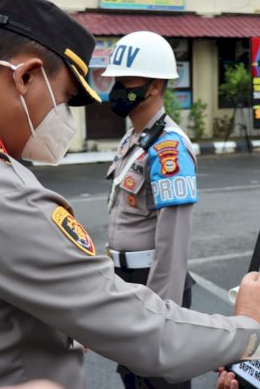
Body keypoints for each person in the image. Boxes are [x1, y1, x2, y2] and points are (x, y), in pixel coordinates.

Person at [0, 0, 260, 388]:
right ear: (26, 76)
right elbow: (147, 333)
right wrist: (248, 326)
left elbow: (172, 242)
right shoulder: (3, 197)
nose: (61, 116)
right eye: (64, 98)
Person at [101, 31, 197, 389]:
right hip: (125, 284)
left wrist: (160, 314)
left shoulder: (169, 150)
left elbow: (173, 245)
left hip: (153, 288)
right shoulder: (134, 140)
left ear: (154, 86)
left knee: (158, 382)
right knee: (132, 376)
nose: (116, 89)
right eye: (115, 80)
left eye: (125, 82)